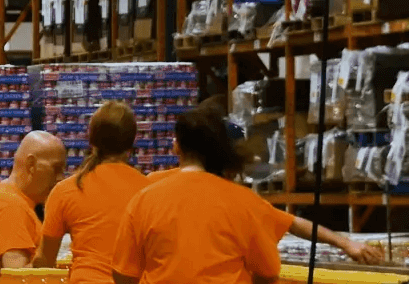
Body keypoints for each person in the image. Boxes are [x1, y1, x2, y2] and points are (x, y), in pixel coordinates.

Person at [147, 98, 384, 265]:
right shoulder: (240, 199)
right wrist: (346, 244)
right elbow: (273, 260)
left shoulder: (149, 190)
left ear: (176, 146)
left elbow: (126, 273)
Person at [113, 105, 282, 284]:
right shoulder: (245, 201)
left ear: (177, 147)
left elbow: (124, 279)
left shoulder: (145, 199)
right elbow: (268, 273)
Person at [35, 102, 150, 284]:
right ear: (132, 141)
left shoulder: (67, 190)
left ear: (91, 139)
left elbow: (45, 260)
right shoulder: (149, 191)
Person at [0, 131, 66, 270]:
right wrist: (49, 250)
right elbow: (17, 277)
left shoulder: (9, 198)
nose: (60, 178)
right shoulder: (10, 206)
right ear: (31, 164)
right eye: (56, 169)